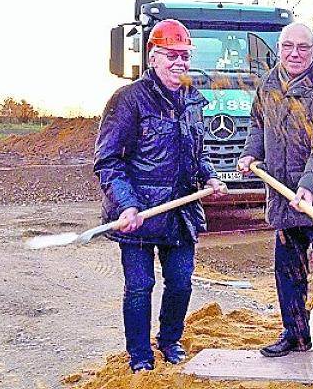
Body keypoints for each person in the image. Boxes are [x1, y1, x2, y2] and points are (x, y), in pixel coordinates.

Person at [94, 19, 227, 373]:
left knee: (181, 282)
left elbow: (198, 154)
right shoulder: (128, 100)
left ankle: (170, 341)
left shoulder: (192, 100)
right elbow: (108, 161)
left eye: (184, 55)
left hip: (180, 213)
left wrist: (210, 176)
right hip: (138, 215)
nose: (179, 62)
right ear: (154, 57)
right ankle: (139, 355)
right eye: (171, 55)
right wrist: (127, 204)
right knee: (140, 286)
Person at [236, 22, 313, 374]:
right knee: (287, 272)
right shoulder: (270, 83)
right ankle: (296, 333)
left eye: (303, 48)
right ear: (279, 48)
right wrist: (251, 153)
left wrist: (311, 186)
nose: (294, 54)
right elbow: (258, 123)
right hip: (284, 199)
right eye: (288, 47)